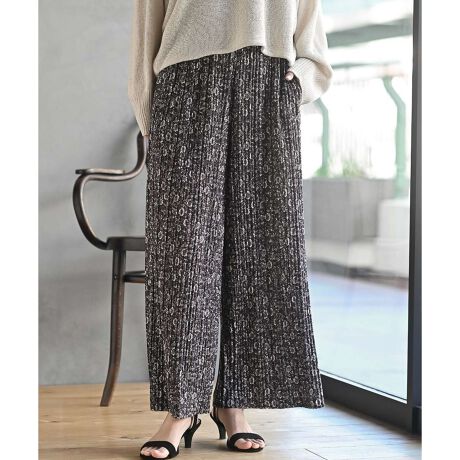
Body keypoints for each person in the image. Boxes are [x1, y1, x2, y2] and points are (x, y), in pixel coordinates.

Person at [128, 0, 333, 458]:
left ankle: (234, 404)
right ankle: (181, 408)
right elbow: (146, 32)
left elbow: (311, 32)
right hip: (185, 86)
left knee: (260, 252)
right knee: (184, 259)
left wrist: (300, 77)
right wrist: (151, 113)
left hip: (267, 83)